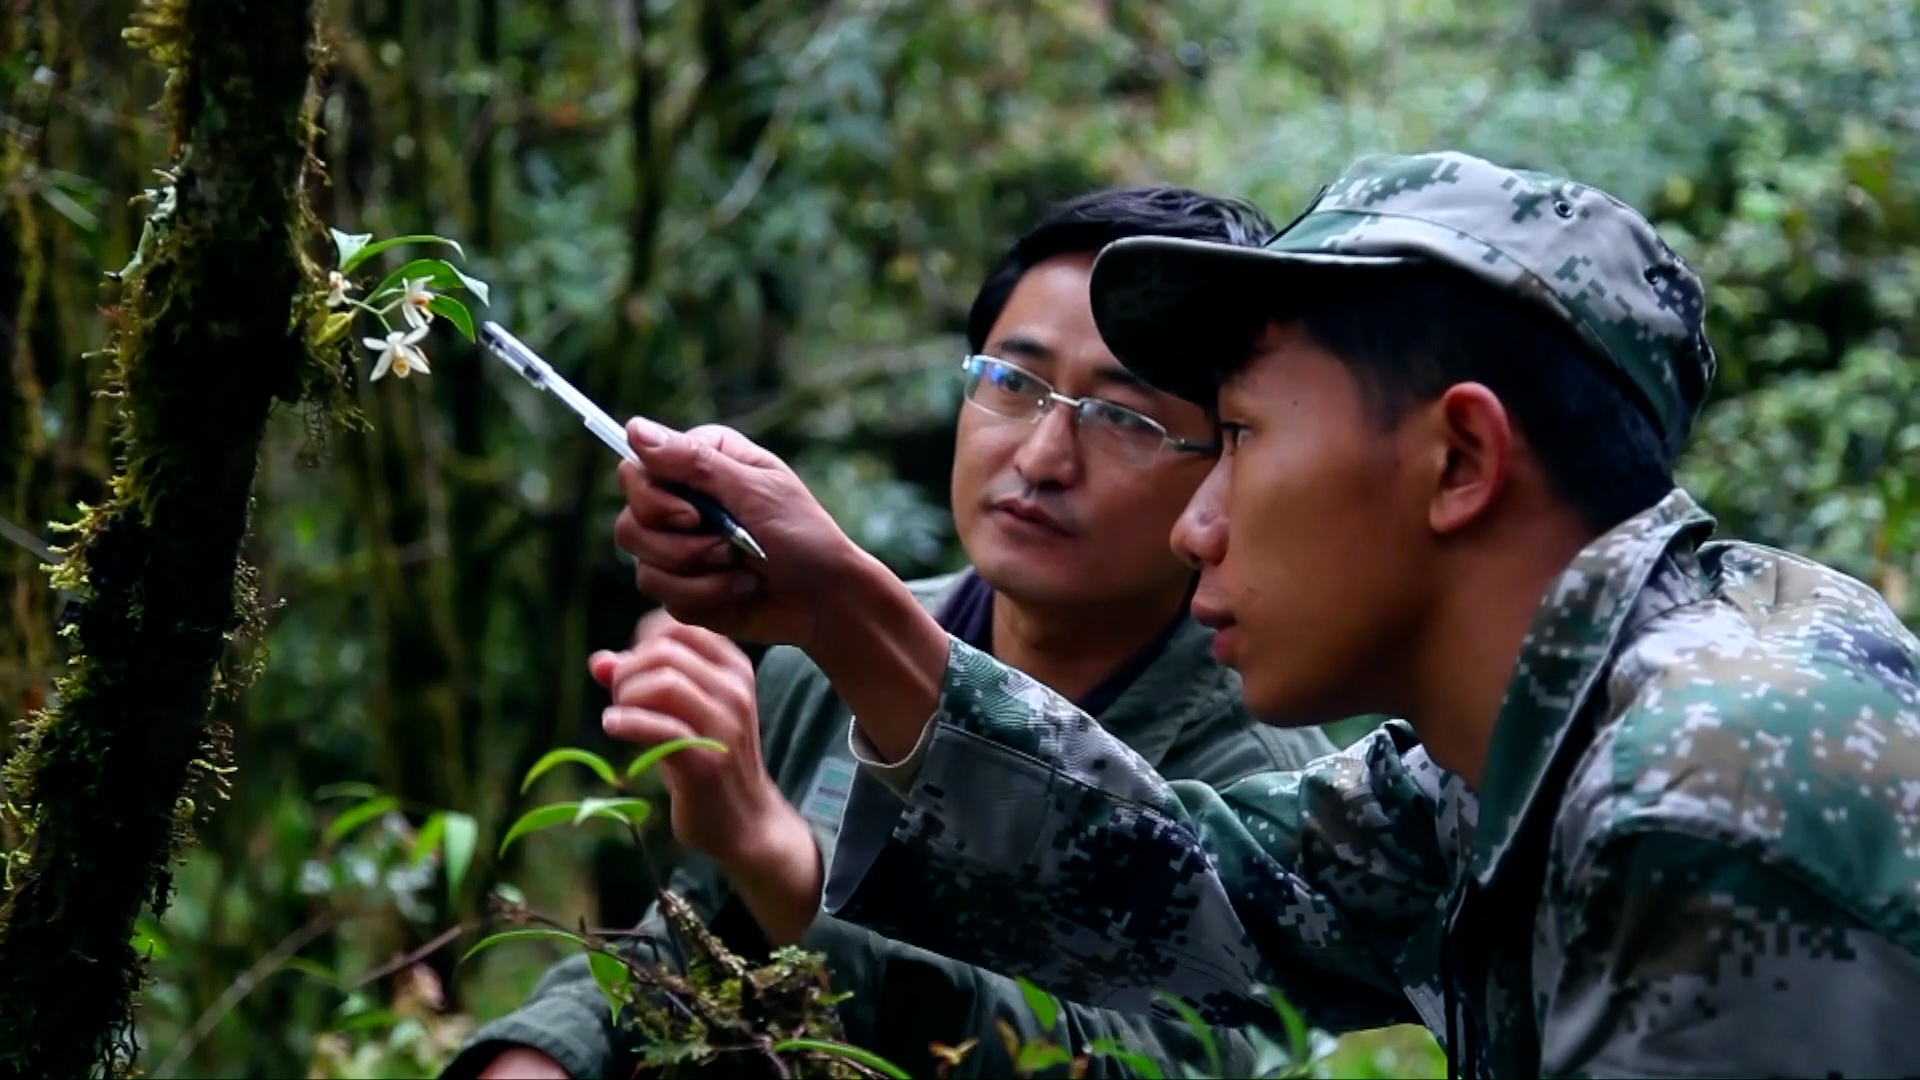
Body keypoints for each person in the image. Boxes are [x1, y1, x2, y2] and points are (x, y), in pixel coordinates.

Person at [604, 149, 1920, 1078]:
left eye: (1233, 435)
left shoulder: (1720, 795)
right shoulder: (1521, 745)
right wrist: (844, 604)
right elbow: (1175, 886)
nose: (1195, 521)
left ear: (1459, 461)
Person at [442, 187, 1343, 1080]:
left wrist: (786, 867)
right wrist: (540, 1054)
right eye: (1014, 384)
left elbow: (1147, 1065)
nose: (1041, 459)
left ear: (1230, 459)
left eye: (1124, 419)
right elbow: (693, 943)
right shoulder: (814, 661)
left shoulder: (1262, 771)